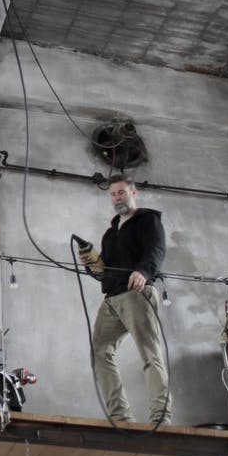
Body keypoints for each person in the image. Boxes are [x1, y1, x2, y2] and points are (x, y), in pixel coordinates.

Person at [78, 175, 171, 424]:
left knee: (150, 354)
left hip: (137, 293)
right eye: (113, 194)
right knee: (100, 352)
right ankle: (121, 417)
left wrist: (143, 271)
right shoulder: (110, 234)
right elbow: (104, 273)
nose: (117, 198)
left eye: (121, 192)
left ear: (133, 192)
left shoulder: (148, 220)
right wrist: (91, 264)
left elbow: (156, 249)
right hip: (112, 298)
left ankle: (161, 417)